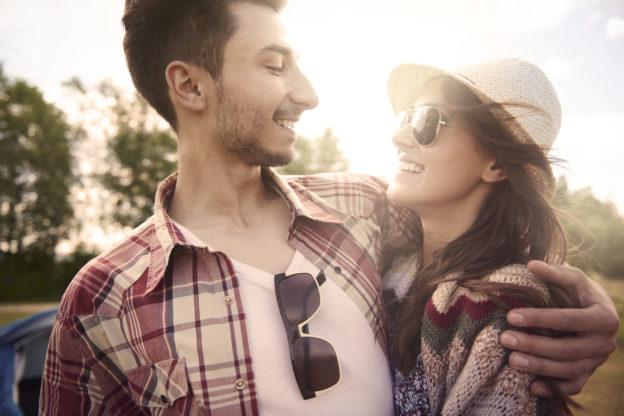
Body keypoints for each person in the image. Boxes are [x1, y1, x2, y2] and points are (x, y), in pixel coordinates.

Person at [39, 1, 618, 414]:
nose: (309, 93)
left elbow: (485, 244)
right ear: (190, 87)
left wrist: (582, 310)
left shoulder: (364, 205)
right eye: (274, 65)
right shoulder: (101, 301)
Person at [382, 58, 605, 415]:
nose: (398, 136)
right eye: (407, 118)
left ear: (497, 164)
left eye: (427, 122)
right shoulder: (390, 258)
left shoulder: (503, 315)